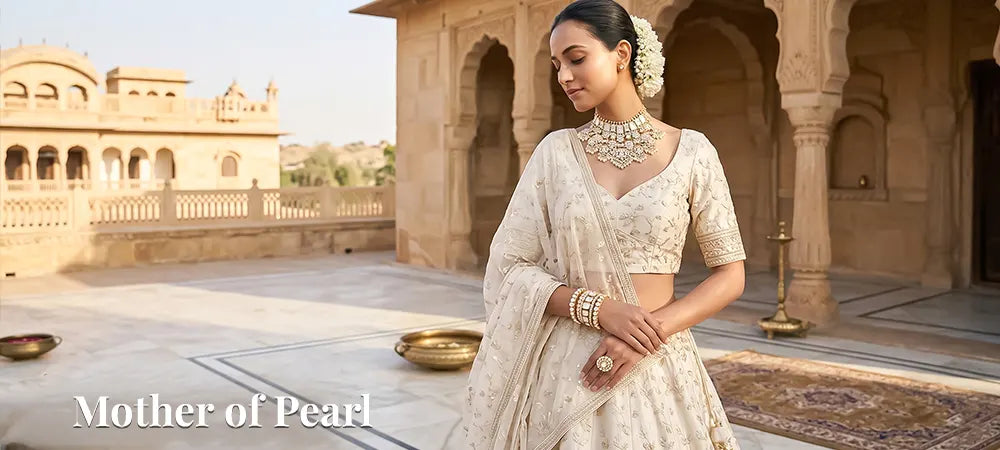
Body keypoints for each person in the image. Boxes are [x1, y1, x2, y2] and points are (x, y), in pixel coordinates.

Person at [462, 0, 746, 448]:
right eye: (557, 65)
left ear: (622, 54)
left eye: (576, 59)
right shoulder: (556, 153)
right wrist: (599, 309)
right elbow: (508, 268)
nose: (564, 77)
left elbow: (730, 275)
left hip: (658, 361)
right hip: (568, 368)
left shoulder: (693, 151)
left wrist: (645, 337)